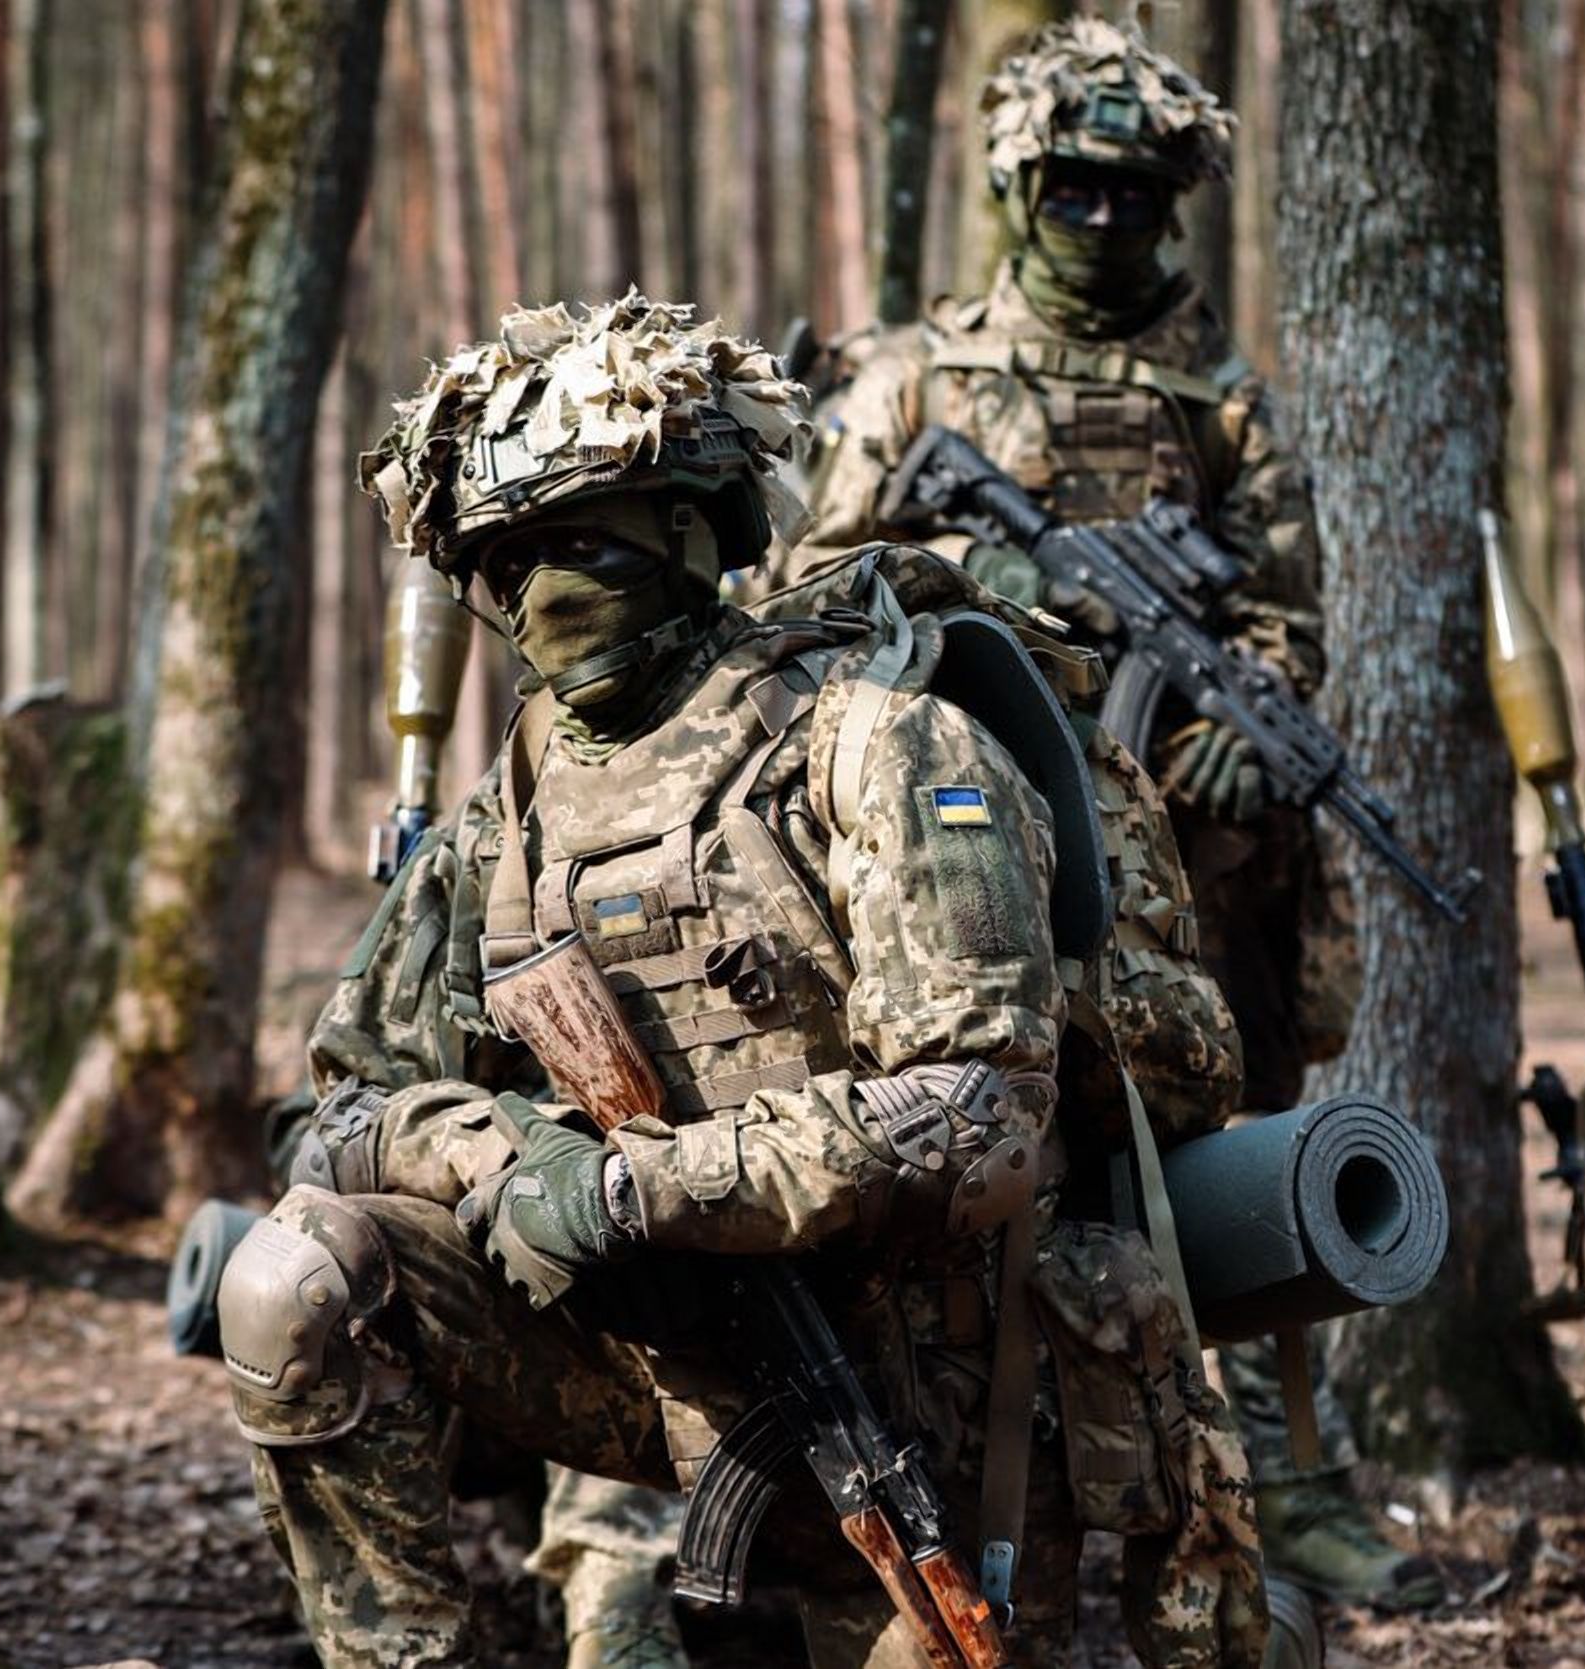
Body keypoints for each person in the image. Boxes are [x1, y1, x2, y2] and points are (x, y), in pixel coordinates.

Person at [224, 292, 1269, 1668]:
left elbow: (979, 1117)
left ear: (693, 529)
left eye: (583, 541)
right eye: (509, 559)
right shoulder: (517, 799)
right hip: (660, 1355)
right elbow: (341, 1109)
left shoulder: (876, 744)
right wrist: (494, 1151)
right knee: (296, 1275)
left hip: (927, 1392)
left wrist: (629, 1190)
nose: (545, 593)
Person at [764, 18, 1435, 1613]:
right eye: (1074, 188)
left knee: (1242, 1150)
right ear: (1016, 189)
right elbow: (804, 587)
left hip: (1191, 855)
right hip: (958, 832)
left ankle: (1278, 1476)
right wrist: (979, 578)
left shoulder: (1220, 397)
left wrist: (1244, 726)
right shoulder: (917, 376)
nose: (1106, 219)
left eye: (1138, 196)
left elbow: (1284, 616)